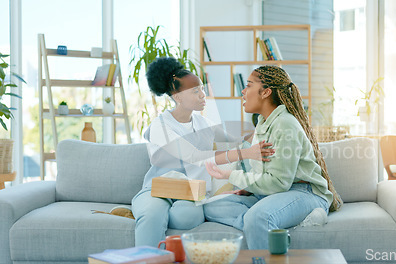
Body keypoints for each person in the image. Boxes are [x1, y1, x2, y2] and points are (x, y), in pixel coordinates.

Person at [131, 57, 274, 247]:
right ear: (178, 97)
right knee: (152, 215)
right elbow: (195, 157)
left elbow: (236, 139)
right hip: (158, 190)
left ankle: (163, 219)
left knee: (187, 217)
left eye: (202, 89)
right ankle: (148, 257)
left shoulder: (203, 123)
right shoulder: (160, 126)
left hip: (190, 192)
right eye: (195, 91)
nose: (202, 95)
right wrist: (244, 154)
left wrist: (266, 126)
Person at [204, 65, 343, 249]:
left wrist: (230, 175)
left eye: (249, 86)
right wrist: (250, 189)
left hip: (303, 192)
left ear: (266, 92)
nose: (243, 92)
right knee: (212, 206)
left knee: (257, 217)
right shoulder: (263, 123)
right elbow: (264, 171)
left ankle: (261, 224)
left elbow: (279, 183)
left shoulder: (285, 124)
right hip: (272, 194)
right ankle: (268, 226)